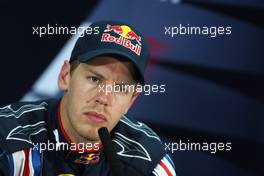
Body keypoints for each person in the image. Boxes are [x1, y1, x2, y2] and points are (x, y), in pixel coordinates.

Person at [0, 21, 176, 176]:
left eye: (121, 88)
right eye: (95, 79)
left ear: (131, 100)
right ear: (65, 76)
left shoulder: (150, 163)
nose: (104, 98)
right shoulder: (8, 139)